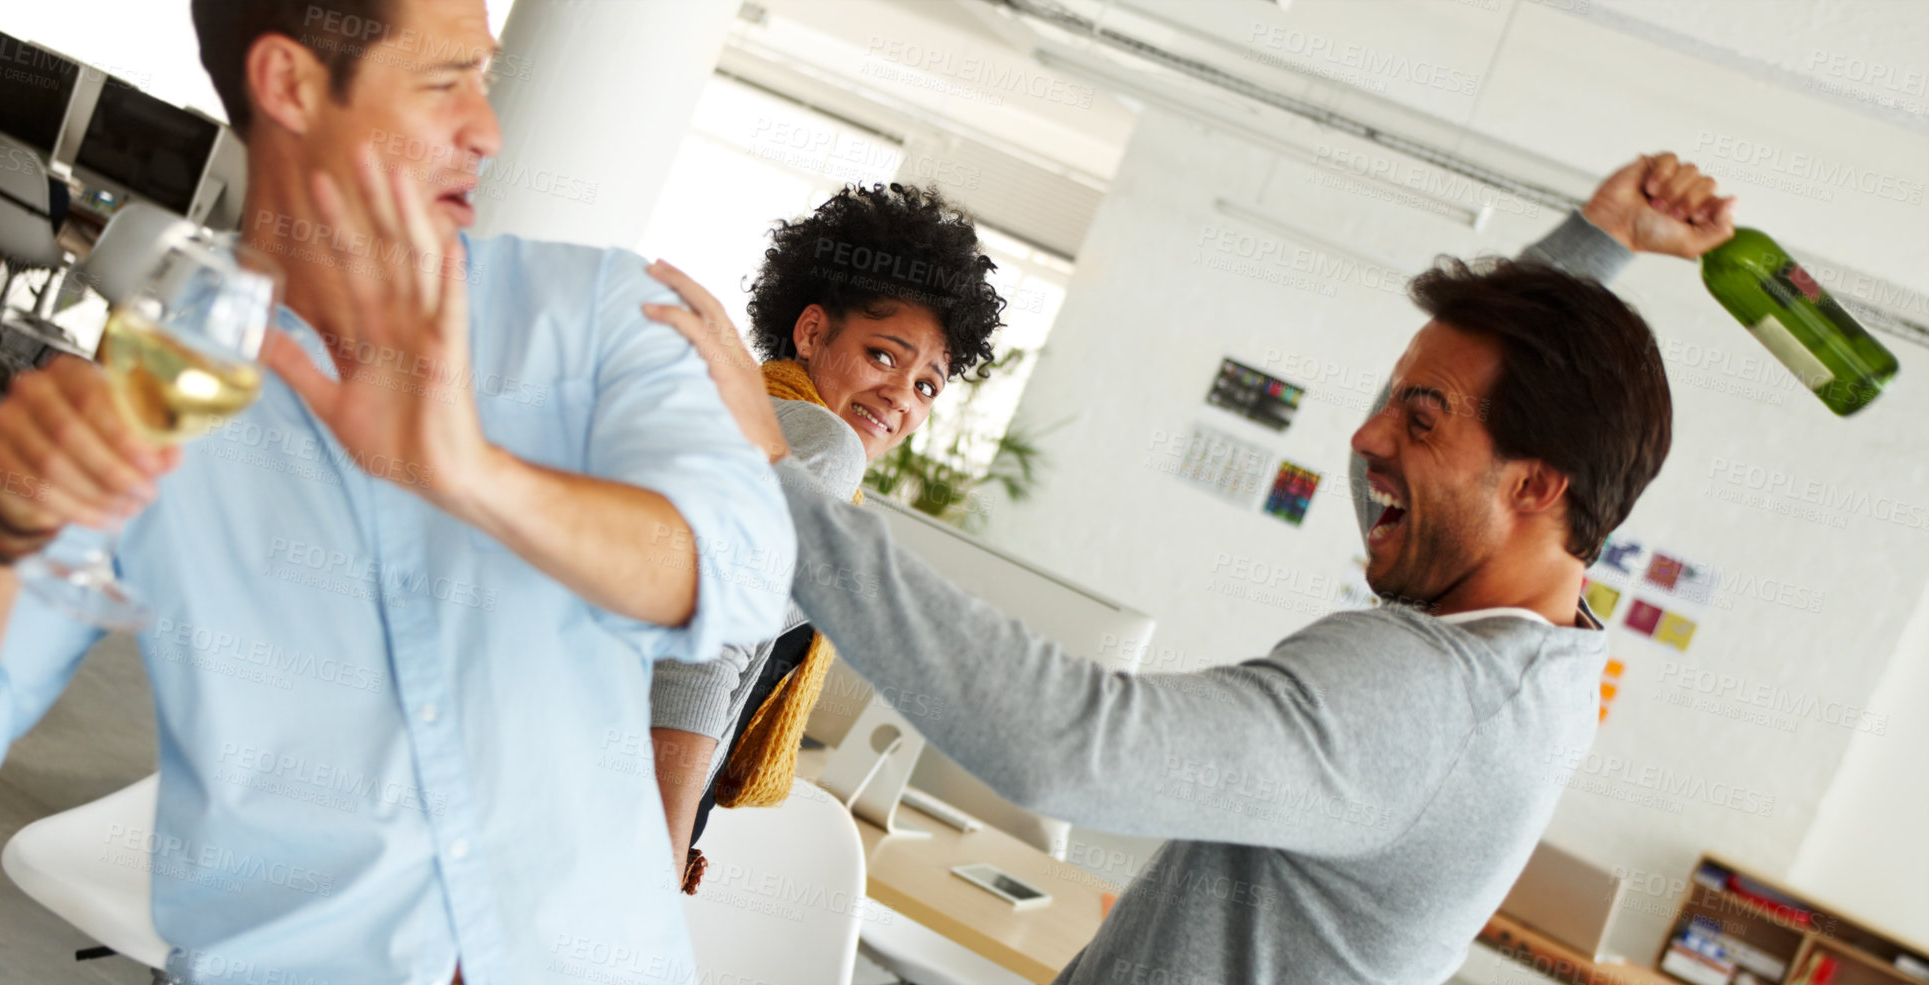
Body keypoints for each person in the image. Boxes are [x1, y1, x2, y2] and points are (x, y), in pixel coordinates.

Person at [660, 152, 1735, 983]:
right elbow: (1466, 451)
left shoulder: (1425, 692)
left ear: (1536, 484)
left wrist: (771, 475)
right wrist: (1592, 241)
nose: (1362, 445)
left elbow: (1064, 743)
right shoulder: (1538, 645)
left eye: (1416, 414)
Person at [0, 1, 792, 983]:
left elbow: (736, 574)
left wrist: (470, 470)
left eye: (484, 80)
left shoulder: (602, 318)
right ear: (289, 86)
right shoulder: (154, 392)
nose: (486, 130)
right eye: (442, 81)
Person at [642, 182, 1006, 891]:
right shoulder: (818, 446)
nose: (903, 396)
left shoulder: (741, 415)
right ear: (810, 331)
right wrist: (657, 851)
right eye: (883, 356)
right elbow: (702, 648)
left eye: (928, 385)